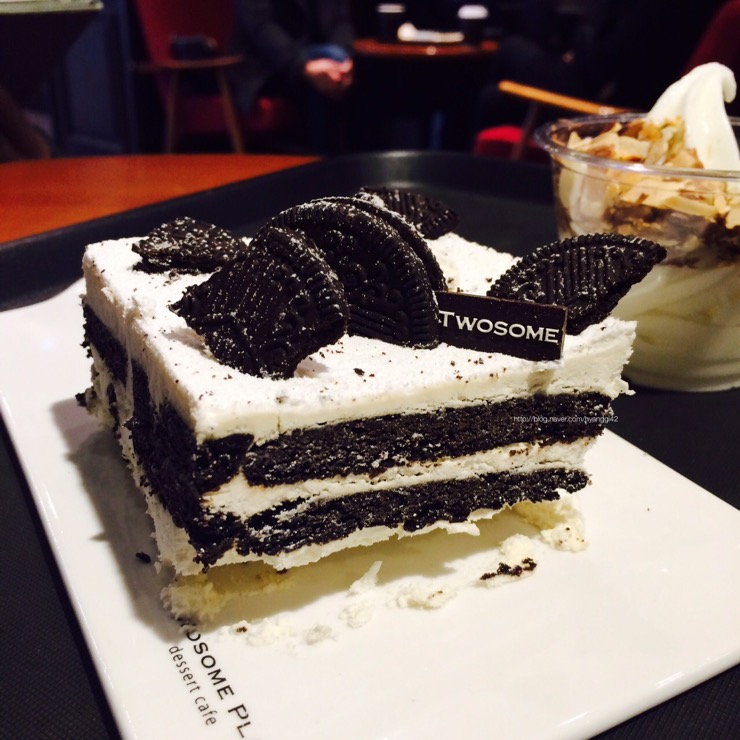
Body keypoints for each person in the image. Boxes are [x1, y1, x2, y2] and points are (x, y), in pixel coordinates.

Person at [471, 0, 728, 140]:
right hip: (623, 92)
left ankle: (472, 183)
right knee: (493, 98)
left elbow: (602, 64)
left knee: (511, 49)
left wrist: (577, 52)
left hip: (617, 112)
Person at [229, 0, 355, 154]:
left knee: (356, 62)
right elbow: (262, 29)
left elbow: (339, 22)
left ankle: (352, 161)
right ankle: (325, 160)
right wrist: (304, 66)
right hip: (265, 69)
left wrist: (344, 60)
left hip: (322, 59)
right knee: (323, 66)